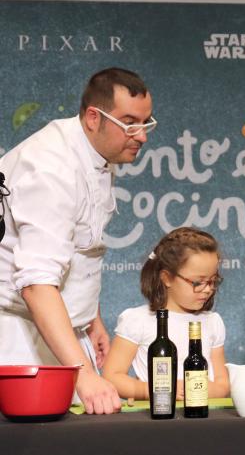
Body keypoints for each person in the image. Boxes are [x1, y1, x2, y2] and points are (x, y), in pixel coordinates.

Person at [0, 67, 157, 414]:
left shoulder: (98, 152)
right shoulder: (51, 169)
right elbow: (37, 283)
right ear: (92, 117)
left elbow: (80, 246)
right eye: (130, 122)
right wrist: (82, 374)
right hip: (16, 332)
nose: (141, 135)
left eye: (146, 123)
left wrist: (90, 316)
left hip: (61, 328)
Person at [102, 227, 229, 400]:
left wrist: (197, 389)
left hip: (202, 419)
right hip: (155, 419)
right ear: (167, 278)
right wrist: (155, 390)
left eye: (213, 281)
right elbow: (112, 377)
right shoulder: (138, 320)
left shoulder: (212, 322)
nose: (208, 289)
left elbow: (222, 384)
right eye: (198, 282)